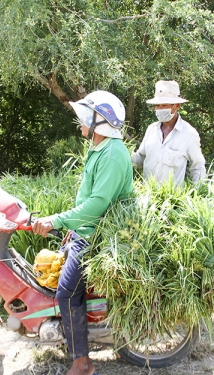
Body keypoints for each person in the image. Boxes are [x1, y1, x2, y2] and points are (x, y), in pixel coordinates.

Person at [32, 90, 134, 375]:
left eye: (85, 117)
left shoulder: (113, 154)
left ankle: (82, 361)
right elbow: (87, 202)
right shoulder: (99, 148)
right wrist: (71, 228)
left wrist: (57, 221)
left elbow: (97, 205)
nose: (80, 123)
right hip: (87, 231)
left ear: (99, 121)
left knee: (66, 292)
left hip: (99, 236)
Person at [131, 80, 206, 185]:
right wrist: (124, 155)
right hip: (146, 196)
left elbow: (197, 167)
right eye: (158, 105)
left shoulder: (189, 134)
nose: (160, 109)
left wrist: (199, 193)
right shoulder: (151, 129)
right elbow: (141, 158)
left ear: (177, 106)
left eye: (165, 105)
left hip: (171, 199)